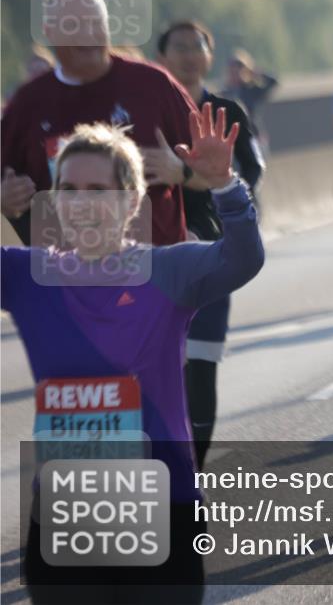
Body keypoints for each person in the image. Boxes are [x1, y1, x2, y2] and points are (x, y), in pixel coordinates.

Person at [5, 108, 264, 604]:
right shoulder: (26, 275)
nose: (81, 204)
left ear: (130, 201)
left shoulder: (167, 270)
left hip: (162, 506)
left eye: (98, 192)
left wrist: (225, 186)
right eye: (69, 191)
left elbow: (243, 257)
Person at [1, 0, 197, 247]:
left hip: (154, 274)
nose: (88, 34)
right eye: (74, 26)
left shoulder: (154, 85)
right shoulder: (27, 103)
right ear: (50, 32)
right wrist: (4, 199)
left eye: (96, 23)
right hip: (70, 279)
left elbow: (215, 172)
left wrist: (182, 171)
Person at [158, 19, 267, 470]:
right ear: (161, 56)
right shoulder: (145, 108)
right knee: (155, 367)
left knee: (201, 363)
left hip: (211, 255)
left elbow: (250, 174)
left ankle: (192, 473)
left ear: (209, 53)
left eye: (195, 46)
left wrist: (187, 175)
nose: (186, 54)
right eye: (177, 46)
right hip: (151, 256)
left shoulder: (229, 111)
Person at [221, 47, 278, 150]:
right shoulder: (225, 92)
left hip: (254, 138)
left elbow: (274, 82)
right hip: (233, 141)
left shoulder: (252, 90)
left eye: (239, 69)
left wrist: (256, 72)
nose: (236, 72)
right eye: (232, 69)